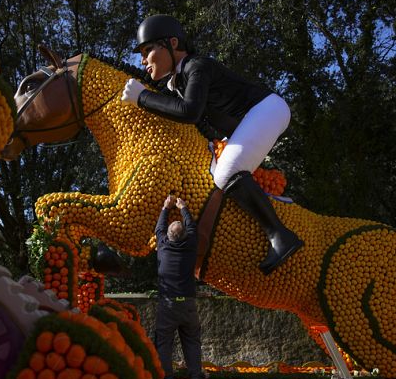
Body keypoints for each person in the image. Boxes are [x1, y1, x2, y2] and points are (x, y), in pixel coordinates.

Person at [121, 14, 303, 275]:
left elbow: (189, 111)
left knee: (227, 172)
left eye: (148, 49)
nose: (143, 60)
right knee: (212, 172)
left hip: (267, 109)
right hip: (246, 123)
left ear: (173, 43)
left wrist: (142, 98)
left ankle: (280, 236)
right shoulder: (180, 81)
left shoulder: (197, 66)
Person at [154, 194, 204, 379]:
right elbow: (192, 228)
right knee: (191, 340)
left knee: (164, 342)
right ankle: (196, 378)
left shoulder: (163, 246)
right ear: (184, 236)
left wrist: (165, 208)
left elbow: (159, 228)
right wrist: (183, 207)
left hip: (168, 304)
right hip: (188, 303)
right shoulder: (190, 245)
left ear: (167, 236)